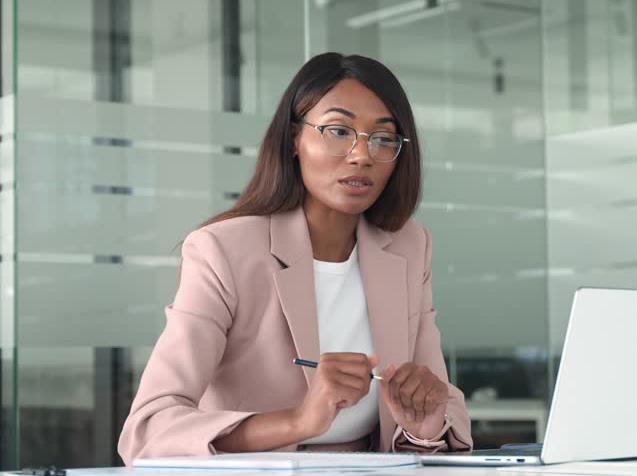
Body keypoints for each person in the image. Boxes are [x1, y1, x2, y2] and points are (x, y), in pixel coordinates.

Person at [117, 52, 473, 464]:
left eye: (383, 138)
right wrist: (298, 421)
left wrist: (424, 423)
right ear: (292, 139)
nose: (362, 155)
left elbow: (444, 414)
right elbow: (146, 432)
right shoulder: (223, 250)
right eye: (338, 131)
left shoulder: (409, 246)